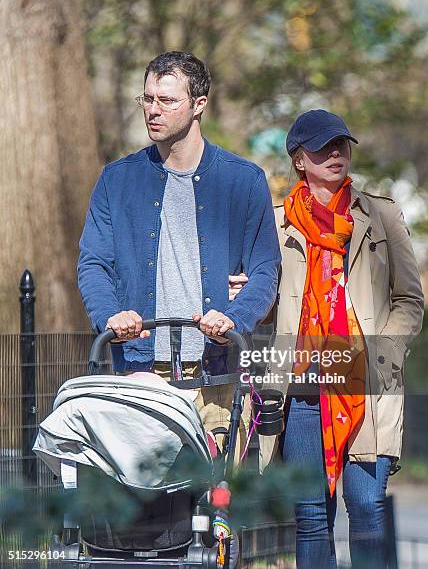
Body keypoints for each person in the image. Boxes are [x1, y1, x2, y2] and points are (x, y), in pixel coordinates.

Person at [230, 109, 424, 567]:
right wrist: (250, 296)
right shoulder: (274, 225)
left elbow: (409, 301)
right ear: (299, 159)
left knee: (368, 507)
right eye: (322, 146)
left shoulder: (382, 215)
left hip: (365, 385)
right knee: (312, 515)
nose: (335, 152)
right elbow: (270, 311)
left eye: (341, 143)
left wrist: (380, 356)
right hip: (299, 389)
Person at [78, 51, 281, 459]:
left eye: (167, 100)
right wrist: (109, 315)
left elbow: (265, 271)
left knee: (215, 510)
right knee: (147, 508)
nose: (153, 110)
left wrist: (235, 318)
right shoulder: (117, 180)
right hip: (139, 371)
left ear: (199, 104)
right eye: (147, 99)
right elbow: (94, 263)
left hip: (218, 375)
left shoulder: (243, 181)